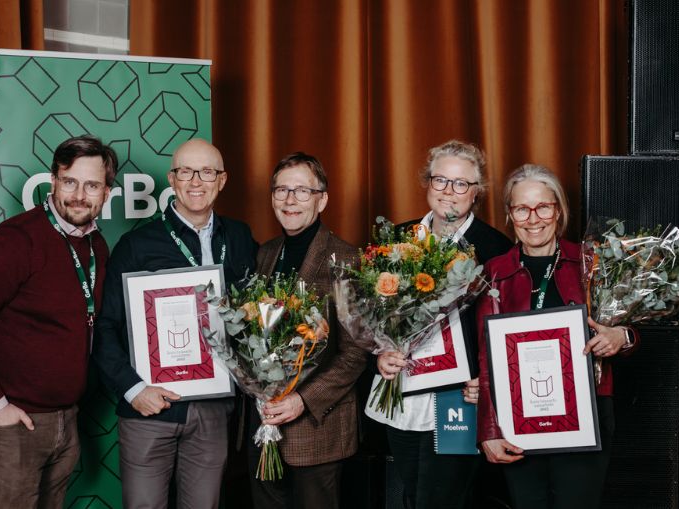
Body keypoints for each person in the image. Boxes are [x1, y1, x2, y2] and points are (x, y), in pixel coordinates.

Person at [0, 135, 118, 509]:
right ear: (53, 181)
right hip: (9, 425)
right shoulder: (17, 240)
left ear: (107, 192)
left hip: (64, 422)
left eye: (91, 185)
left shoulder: (96, 246)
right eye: (69, 181)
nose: (79, 195)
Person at [92, 138, 256, 509]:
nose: (196, 181)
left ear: (222, 180)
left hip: (215, 409)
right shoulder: (136, 245)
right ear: (172, 179)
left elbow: (257, 313)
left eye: (207, 172)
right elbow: (104, 328)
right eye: (185, 171)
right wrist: (133, 389)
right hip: (150, 406)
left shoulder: (241, 237)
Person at [476, 164, 640, 509]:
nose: (533, 219)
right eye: (522, 208)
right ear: (509, 214)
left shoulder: (591, 263)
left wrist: (620, 336)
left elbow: (633, 330)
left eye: (543, 207)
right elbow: (486, 357)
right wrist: (489, 430)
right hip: (517, 417)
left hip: (586, 414)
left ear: (559, 211)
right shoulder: (495, 271)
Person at [368, 140, 512, 509]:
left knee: (445, 498)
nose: (448, 191)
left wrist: (487, 380)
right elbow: (374, 313)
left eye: (461, 183)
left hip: (457, 397)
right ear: (427, 183)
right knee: (412, 492)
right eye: (440, 180)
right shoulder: (397, 239)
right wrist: (381, 353)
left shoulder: (495, 248)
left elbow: (506, 328)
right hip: (403, 390)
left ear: (476, 192)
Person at [247, 152, 367, 509]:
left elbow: (355, 353)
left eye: (302, 191)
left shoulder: (346, 259)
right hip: (264, 426)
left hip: (318, 429)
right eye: (281, 190)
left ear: (322, 199)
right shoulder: (265, 254)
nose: (290, 200)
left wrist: (302, 400)